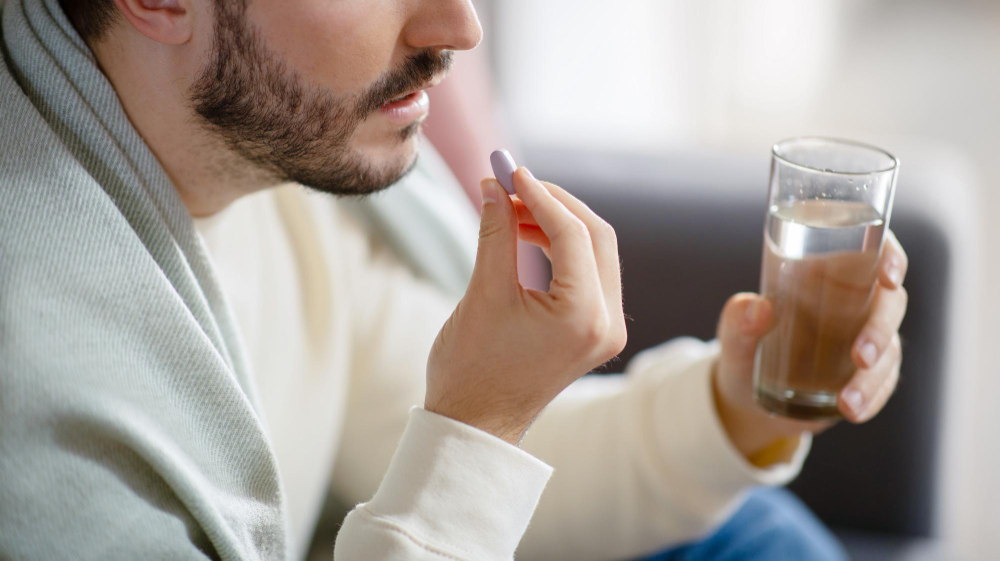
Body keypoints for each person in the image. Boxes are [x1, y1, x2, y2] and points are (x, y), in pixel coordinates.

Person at [0, 0, 909, 560]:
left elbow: (445, 455)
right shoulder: (40, 392)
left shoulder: (273, 170)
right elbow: (458, 460)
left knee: (755, 536)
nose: (460, 26)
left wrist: (739, 399)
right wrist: (480, 423)